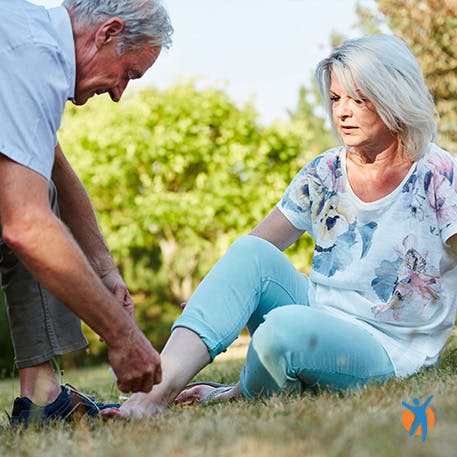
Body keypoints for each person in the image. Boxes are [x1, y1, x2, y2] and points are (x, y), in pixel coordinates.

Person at [101, 34, 457, 420]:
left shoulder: (438, 174)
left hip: (389, 346)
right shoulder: (324, 172)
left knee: (280, 330)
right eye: (336, 99)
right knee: (249, 254)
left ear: (394, 95)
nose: (343, 113)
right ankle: (154, 394)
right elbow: (256, 250)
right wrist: (220, 294)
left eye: (359, 98)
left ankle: (234, 393)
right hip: (320, 314)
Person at [0, 0, 173, 424]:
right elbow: (25, 224)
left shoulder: (27, 35)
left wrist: (104, 268)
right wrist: (123, 337)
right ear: (108, 33)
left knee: (31, 183)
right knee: (32, 215)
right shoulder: (32, 55)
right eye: (128, 74)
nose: (118, 94)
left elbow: (51, 164)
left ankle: (42, 398)